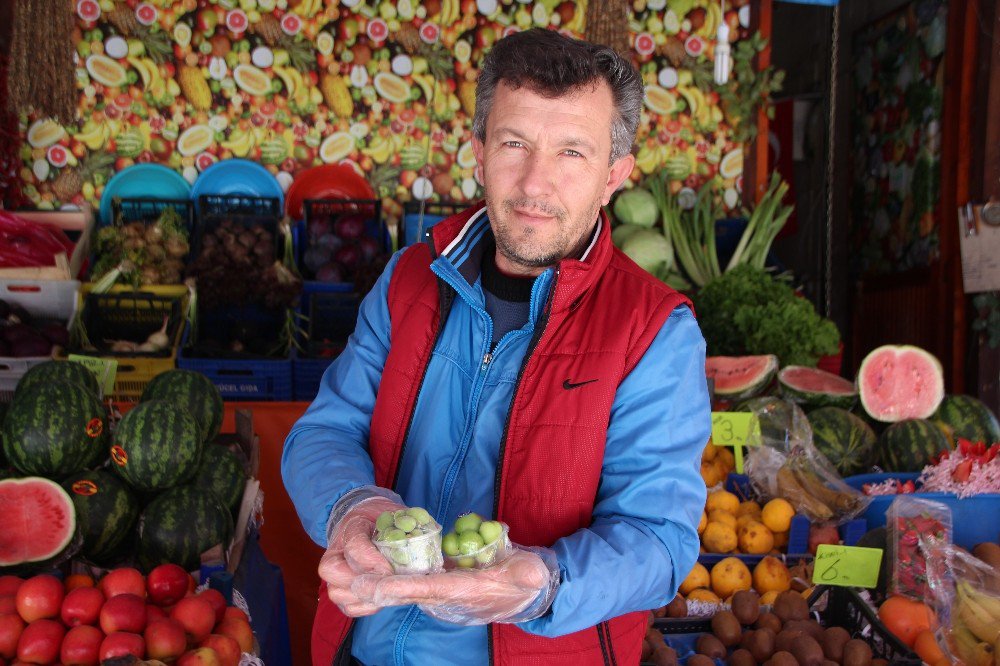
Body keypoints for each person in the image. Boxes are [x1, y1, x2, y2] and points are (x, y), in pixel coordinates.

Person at [282, 27, 710, 666]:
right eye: (515, 143)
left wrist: (542, 585)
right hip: (362, 647)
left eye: (572, 153)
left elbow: (659, 541)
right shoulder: (409, 280)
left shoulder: (652, 330)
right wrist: (353, 506)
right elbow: (323, 433)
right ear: (479, 153)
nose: (536, 183)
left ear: (613, 176)